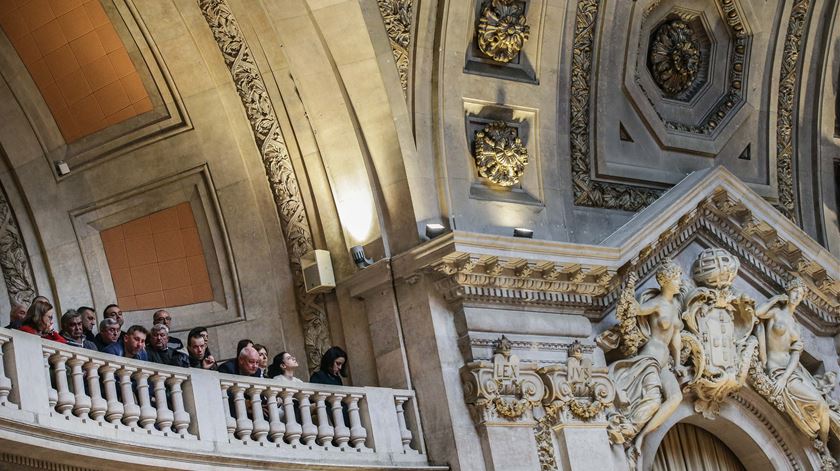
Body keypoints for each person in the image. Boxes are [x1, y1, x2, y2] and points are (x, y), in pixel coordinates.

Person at [608, 259, 686, 452]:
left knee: (675, 398)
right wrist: (628, 289)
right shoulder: (657, 304)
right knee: (652, 401)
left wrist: (678, 364)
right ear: (665, 280)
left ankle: (642, 434)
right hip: (650, 358)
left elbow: (675, 338)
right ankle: (632, 431)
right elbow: (636, 310)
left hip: (664, 363)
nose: (680, 282)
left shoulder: (675, 308)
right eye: (676, 278)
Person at [754, 277, 839, 444]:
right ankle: (825, 447)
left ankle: (826, 447)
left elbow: (794, 355)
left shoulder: (797, 326)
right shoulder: (776, 312)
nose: (796, 297)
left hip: (790, 372)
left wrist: (785, 377)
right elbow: (758, 313)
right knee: (818, 403)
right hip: (775, 367)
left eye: (799, 295)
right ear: (789, 291)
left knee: (822, 405)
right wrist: (776, 299)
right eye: (794, 292)